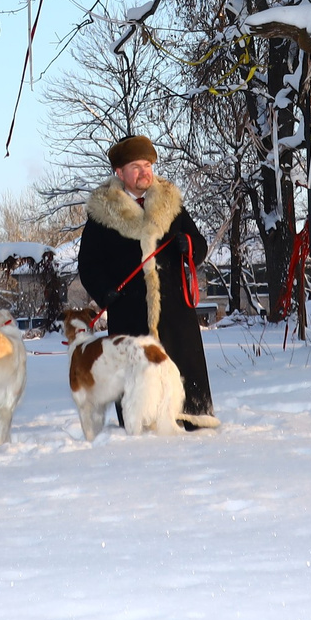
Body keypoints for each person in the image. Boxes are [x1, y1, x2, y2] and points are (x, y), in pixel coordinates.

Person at [76, 135, 218, 429]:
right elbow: (88, 265)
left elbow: (200, 245)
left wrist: (188, 245)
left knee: (182, 371)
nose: (144, 172)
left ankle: (191, 416)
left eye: (148, 165)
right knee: (136, 378)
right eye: (136, 167)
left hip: (175, 311)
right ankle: (142, 423)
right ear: (119, 172)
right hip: (129, 313)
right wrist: (104, 291)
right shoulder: (102, 214)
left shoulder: (170, 204)